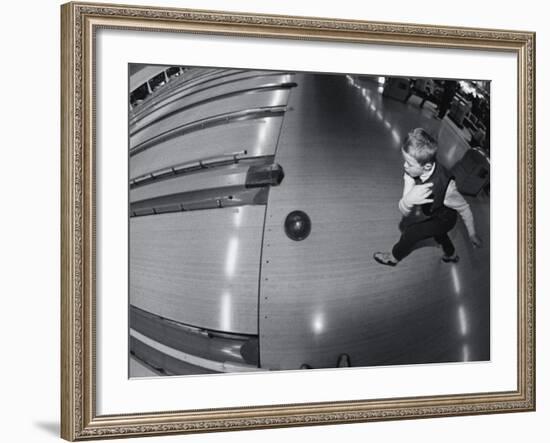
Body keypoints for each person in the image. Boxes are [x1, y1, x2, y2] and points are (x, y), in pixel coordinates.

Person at [373, 128, 482, 266]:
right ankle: (451, 254)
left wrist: (472, 233)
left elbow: (465, 208)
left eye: (410, 164)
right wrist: (409, 199)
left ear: (427, 166)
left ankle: (393, 258)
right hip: (433, 211)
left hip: (445, 219)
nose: (404, 166)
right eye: (405, 160)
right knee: (440, 235)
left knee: (412, 233)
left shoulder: (448, 188)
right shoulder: (414, 169)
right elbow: (404, 209)